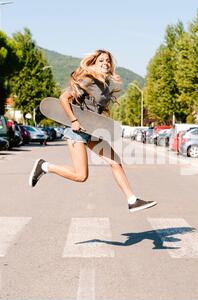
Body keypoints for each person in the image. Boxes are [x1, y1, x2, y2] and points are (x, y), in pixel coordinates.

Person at [29, 49, 157, 213]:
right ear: (94, 64)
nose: (105, 63)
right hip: (76, 132)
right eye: (101, 61)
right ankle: (45, 166)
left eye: (108, 61)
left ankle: (132, 200)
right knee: (81, 176)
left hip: (92, 130)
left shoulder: (104, 85)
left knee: (115, 162)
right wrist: (74, 120)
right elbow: (63, 98)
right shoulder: (88, 79)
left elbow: (93, 107)